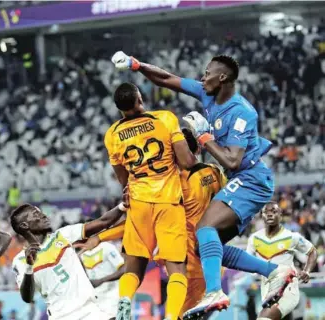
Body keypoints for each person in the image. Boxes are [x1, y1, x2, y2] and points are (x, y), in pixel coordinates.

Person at [111, 51, 296, 319]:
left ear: (222, 77)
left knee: (205, 227)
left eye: (207, 73)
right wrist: (136, 64)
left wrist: (204, 136)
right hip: (241, 180)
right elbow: (166, 78)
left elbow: (233, 161)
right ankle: (272, 271)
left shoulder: (242, 112)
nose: (202, 76)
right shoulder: (207, 93)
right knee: (207, 245)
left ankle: (214, 291)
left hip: (251, 179)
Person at [76, 128, 226, 318]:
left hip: (189, 263)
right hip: (214, 261)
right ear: (196, 150)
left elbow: (136, 223)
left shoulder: (171, 186)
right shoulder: (214, 172)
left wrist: (100, 237)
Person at [104, 82, 197, 320]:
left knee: (134, 264)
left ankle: (125, 300)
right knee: (176, 267)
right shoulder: (164, 119)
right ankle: (171, 317)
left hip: (138, 202)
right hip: (168, 202)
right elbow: (187, 162)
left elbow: (123, 179)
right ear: (140, 100)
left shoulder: (112, 134)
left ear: (119, 108)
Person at [10, 200, 129, 320]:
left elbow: (102, 222)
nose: (43, 215)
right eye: (36, 214)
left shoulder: (63, 235)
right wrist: (29, 267)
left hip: (91, 311)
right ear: (24, 226)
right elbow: (27, 297)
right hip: (62, 316)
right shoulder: (20, 260)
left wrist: (123, 206)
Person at [247, 202, 317, 320]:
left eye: (273, 211)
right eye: (266, 212)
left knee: (264, 318)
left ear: (280, 215)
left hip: (288, 289)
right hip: (267, 291)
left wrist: (307, 271)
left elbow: (312, 252)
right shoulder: (254, 239)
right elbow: (247, 262)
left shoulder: (292, 237)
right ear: (262, 216)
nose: (269, 214)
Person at [80, 241, 125, 319]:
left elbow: (123, 269)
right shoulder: (82, 255)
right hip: (97, 298)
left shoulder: (106, 247)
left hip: (113, 294)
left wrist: (101, 280)